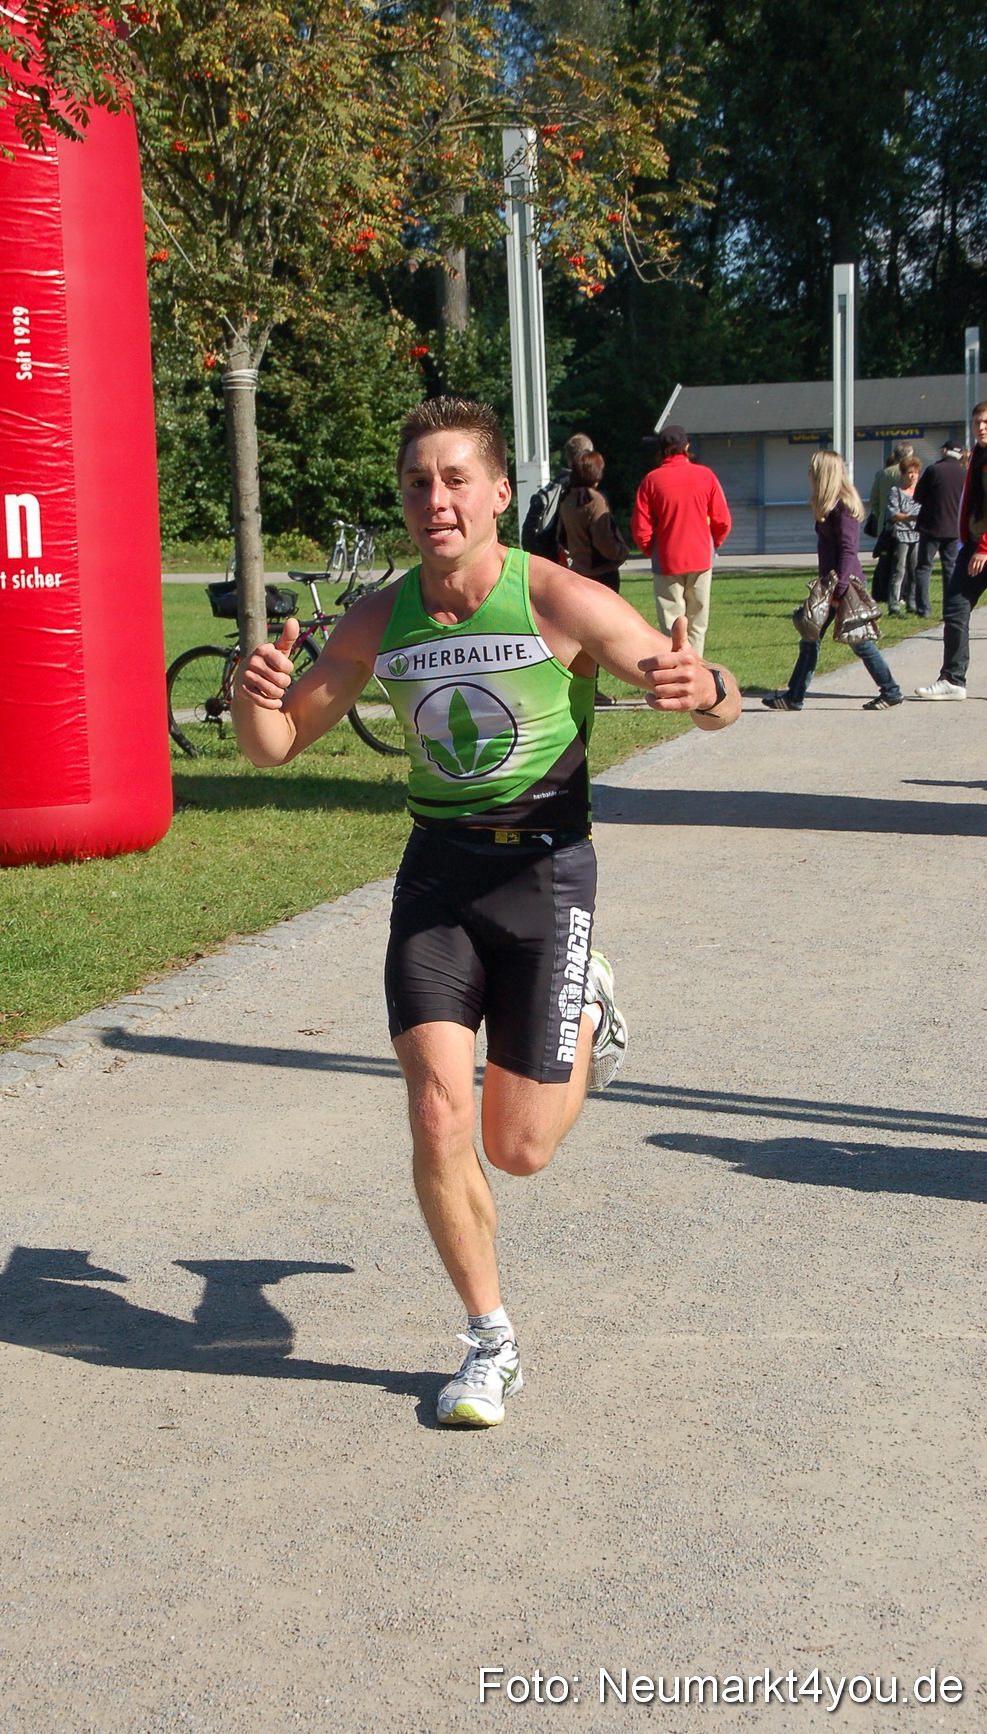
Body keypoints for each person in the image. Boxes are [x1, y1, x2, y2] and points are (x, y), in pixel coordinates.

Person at [233, 396, 741, 1428]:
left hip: (545, 880)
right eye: (418, 482)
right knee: (432, 1106)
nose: (437, 499)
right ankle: (488, 1338)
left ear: (499, 494)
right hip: (437, 881)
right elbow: (275, 747)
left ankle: (590, 1008)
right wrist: (256, 692)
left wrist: (706, 683)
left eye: (457, 478)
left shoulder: (557, 599)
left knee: (517, 1150)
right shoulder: (378, 616)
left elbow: (707, 692)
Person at [763, 449, 904, 712]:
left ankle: (891, 691)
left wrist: (838, 593)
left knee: (860, 642)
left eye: (811, 470)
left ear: (823, 474)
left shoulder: (843, 508)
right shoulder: (828, 506)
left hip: (843, 587)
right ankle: (794, 696)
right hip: (829, 586)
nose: (808, 474)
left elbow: (848, 552)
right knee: (810, 637)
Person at [630, 423, 731, 657]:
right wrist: (712, 543)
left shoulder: (651, 481)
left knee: (672, 624)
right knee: (697, 623)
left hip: (667, 559)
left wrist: (652, 550)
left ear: (661, 450)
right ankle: (695, 669)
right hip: (700, 555)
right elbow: (722, 520)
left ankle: (675, 669)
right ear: (686, 446)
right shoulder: (705, 476)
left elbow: (640, 527)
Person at [916, 401, 987, 701]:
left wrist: (983, 547)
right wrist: (966, 541)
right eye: (976, 422)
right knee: (956, 608)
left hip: (982, 548)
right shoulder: (977, 456)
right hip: (972, 546)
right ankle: (953, 679)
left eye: (986, 421)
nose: (981, 427)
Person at [557, 449, 628, 591]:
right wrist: (621, 552)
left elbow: (562, 536)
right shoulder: (594, 500)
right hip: (601, 572)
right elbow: (603, 539)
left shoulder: (567, 498)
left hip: (578, 570)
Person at [519, 432, 594, 562]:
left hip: (545, 554)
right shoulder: (579, 488)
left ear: (567, 456)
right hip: (567, 560)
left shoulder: (553, 486)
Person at [912, 440, 965, 618]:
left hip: (931, 527)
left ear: (944, 451)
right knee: (950, 568)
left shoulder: (933, 470)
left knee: (924, 567)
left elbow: (918, 496)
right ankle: (949, 608)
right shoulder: (964, 474)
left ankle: (923, 609)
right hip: (954, 528)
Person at [867, 441, 915, 603]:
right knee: (904, 563)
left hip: (885, 525)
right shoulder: (909, 475)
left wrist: (881, 515)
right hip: (906, 525)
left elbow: (873, 500)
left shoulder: (883, 474)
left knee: (885, 561)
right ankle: (901, 595)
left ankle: (880, 593)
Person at [885, 454, 921, 616]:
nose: (912, 476)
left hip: (918, 534)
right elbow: (893, 514)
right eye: (909, 472)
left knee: (915, 570)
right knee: (899, 570)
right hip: (901, 534)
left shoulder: (921, 491)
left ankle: (912, 603)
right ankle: (894, 605)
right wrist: (910, 518)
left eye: (915, 472)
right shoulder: (895, 491)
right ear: (903, 473)